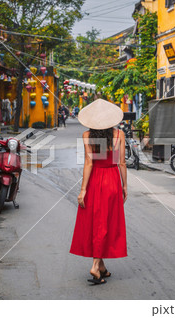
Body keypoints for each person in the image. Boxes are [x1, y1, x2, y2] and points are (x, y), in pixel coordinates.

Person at [70, 99, 128, 285]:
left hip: (95, 180)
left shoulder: (87, 135)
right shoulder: (119, 134)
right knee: (105, 222)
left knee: (97, 222)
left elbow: (89, 163)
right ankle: (98, 266)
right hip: (112, 181)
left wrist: (83, 190)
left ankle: (98, 265)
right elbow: (121, 163)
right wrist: (125, 186)